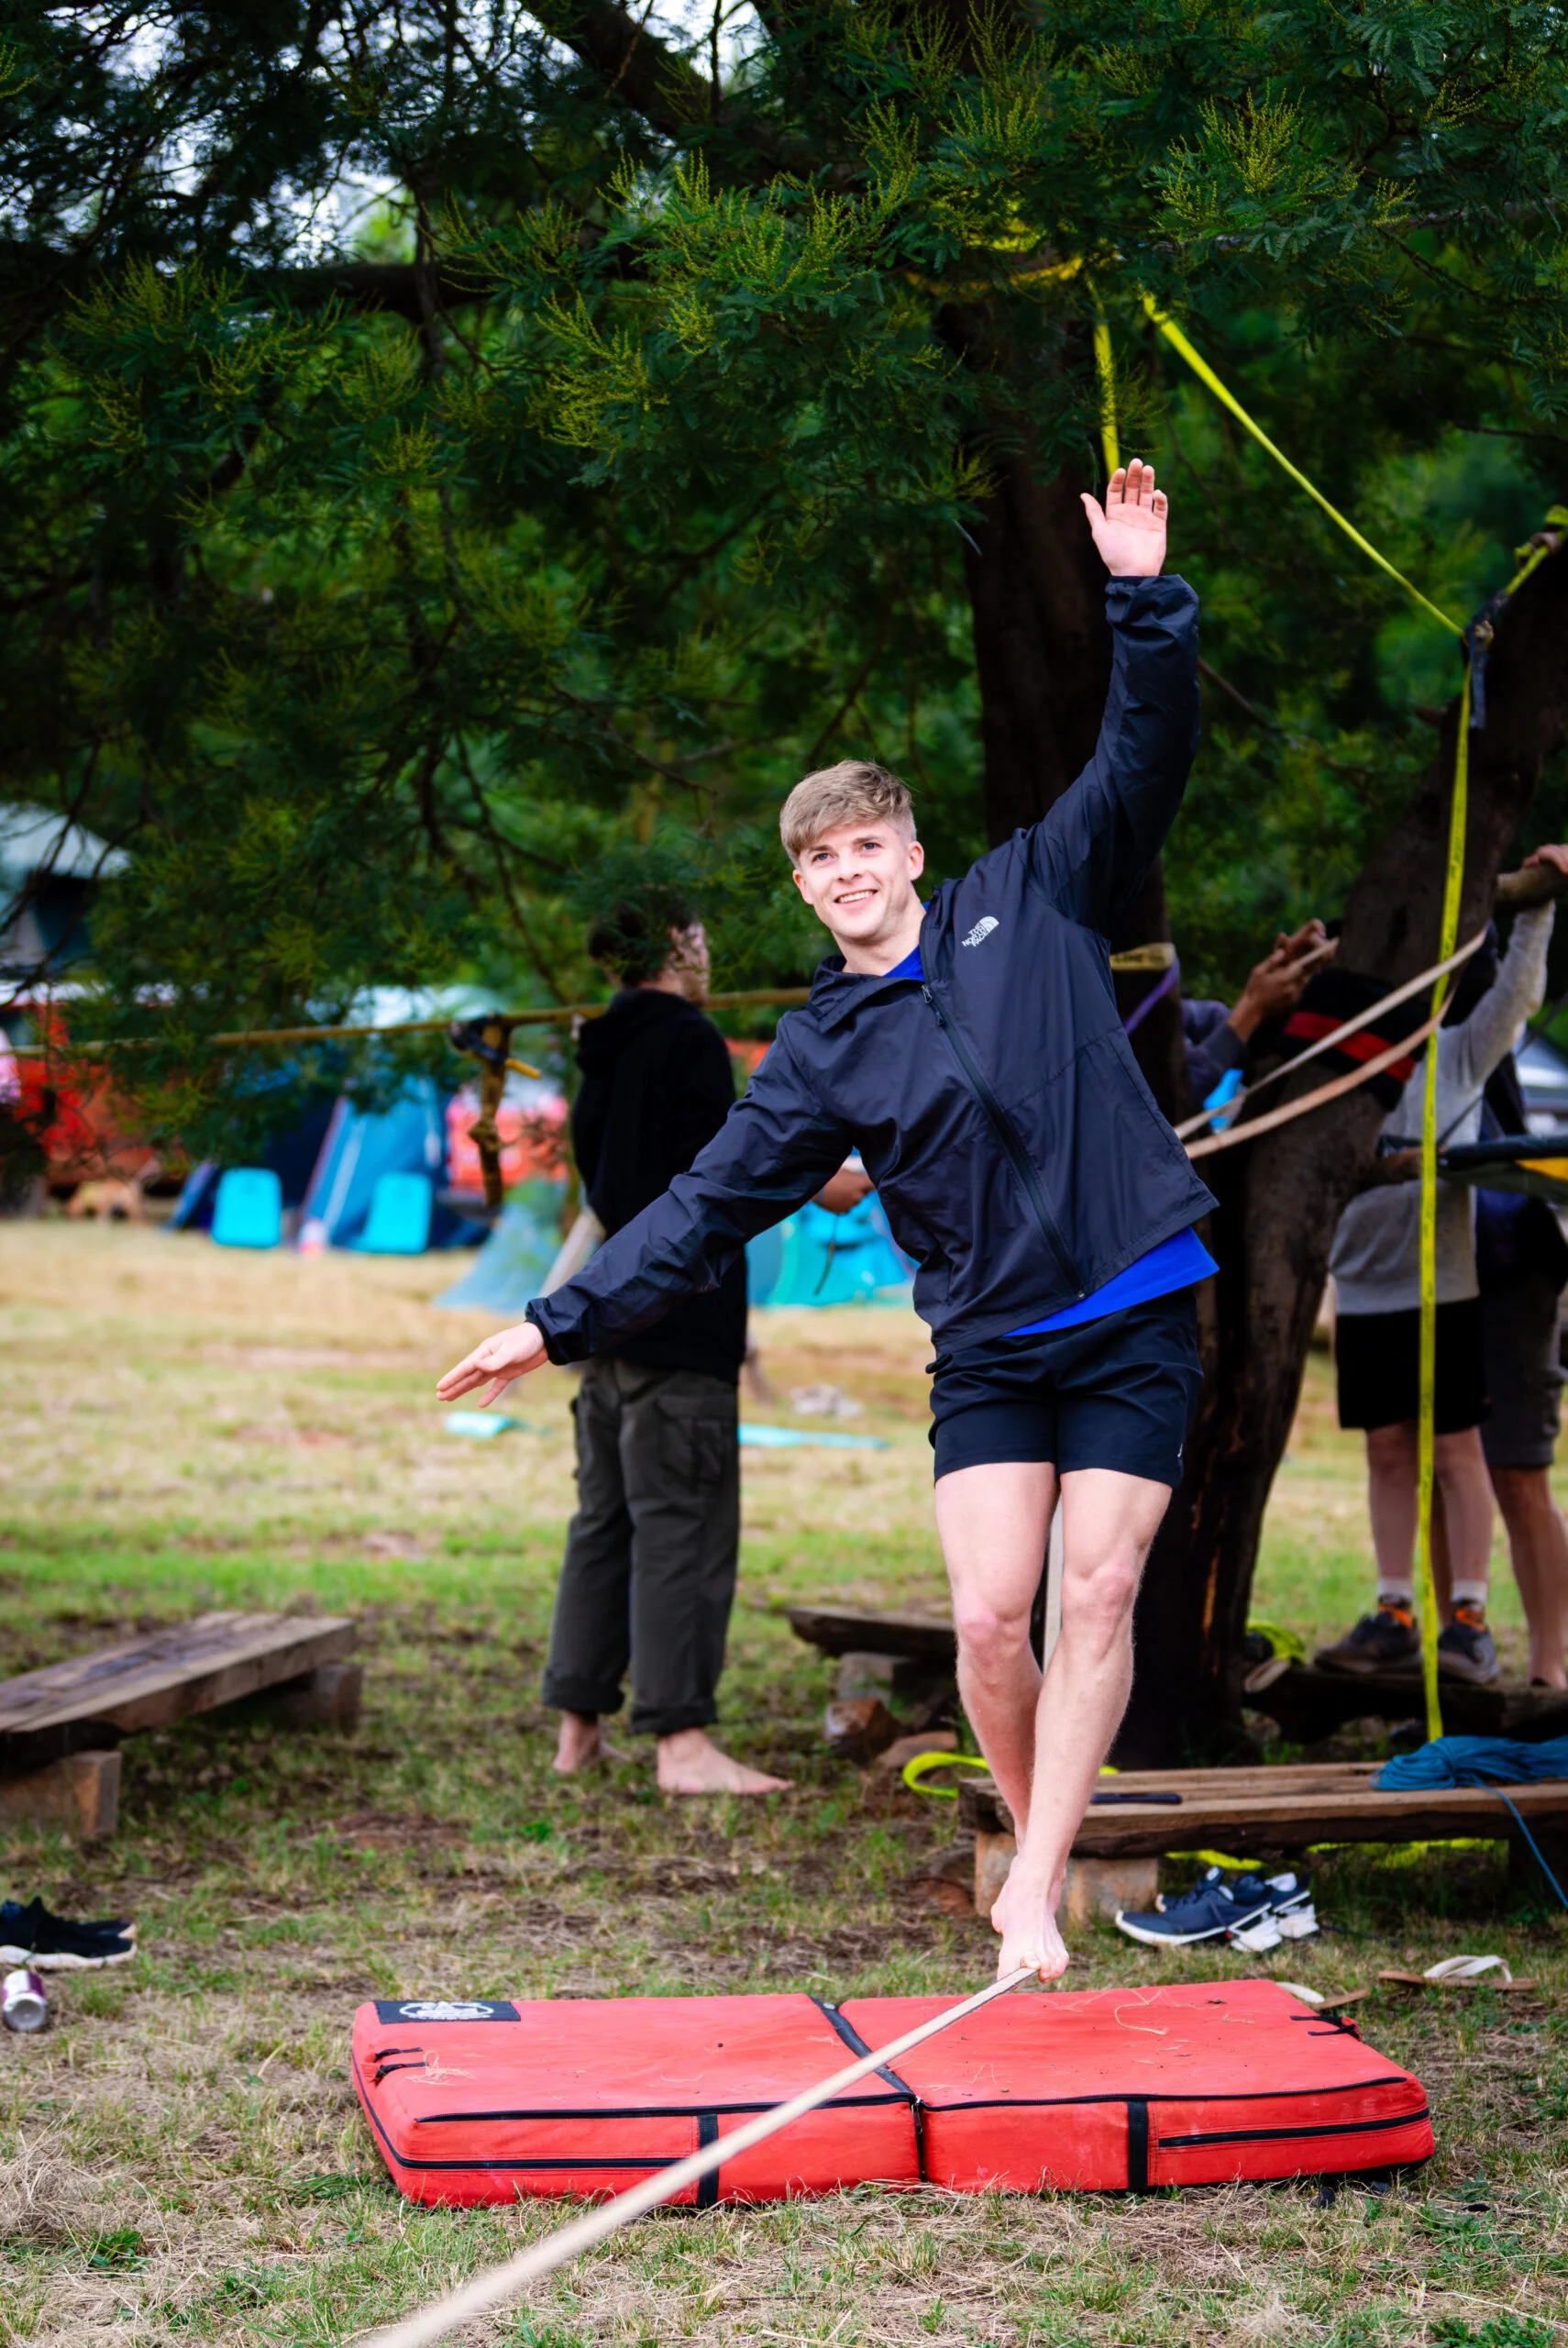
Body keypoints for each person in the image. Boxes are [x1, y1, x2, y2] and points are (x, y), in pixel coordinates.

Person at [439, 458, 1216, 1981]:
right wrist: (552, 1320)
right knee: (993, 1622)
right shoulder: (817, 1055)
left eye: (868, 844)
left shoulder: (1031, 895)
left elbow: (1142, 754)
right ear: (803, 890)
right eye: (818, 859)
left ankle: (1033, 1884)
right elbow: (704, 1207)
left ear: (911, 852)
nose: (848, 871)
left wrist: (1142, 597)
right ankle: (1027, 1820)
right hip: (990, 1341)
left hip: (1128, 1297)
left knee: (1101, 1582)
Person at [542, 895, 788, 1796]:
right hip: (677, 1327)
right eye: (703, 935)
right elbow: (716, 1186)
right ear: (679, 945)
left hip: (604, 1318)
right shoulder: (688, 1041)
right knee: (682, 1525)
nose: (712, 952)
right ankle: (682, 1748)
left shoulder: (600, 1051)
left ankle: (577, 1728)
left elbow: (619, 1189)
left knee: (603, 1521)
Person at [1317, 858, 1567, 1685]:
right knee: (1388, 1451)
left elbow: (1516, 1001)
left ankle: (1470, 1619)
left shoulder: (1453, 1058)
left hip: (1445, 1288)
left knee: (1460, 1452)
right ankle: (1395, 1610)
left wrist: (1538, 911)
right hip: (1366, 1290)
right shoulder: (1328, 1067)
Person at [1431, 1049, 1568, 1689]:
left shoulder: (1476, 1007)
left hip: (1511, 1262)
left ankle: (1550, 1671)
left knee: (1518, 1473)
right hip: (1429, 1270)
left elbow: (1516, 985)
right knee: (1443, 1472)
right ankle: (1454, 1659)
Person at [1182, 921, 1331, 1108]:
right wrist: (1253, 1006)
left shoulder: (1174, 1015)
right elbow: (1170, 1095)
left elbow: (1242, 1042)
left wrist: (1285, 985)